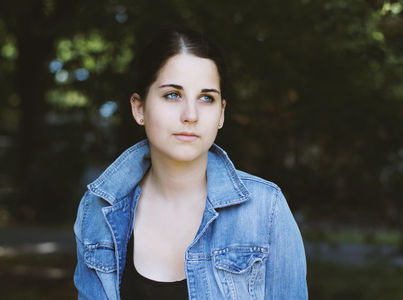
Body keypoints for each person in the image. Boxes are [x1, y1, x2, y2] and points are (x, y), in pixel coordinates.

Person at [73, 27, 307, 299]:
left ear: (221, 113)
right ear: (139, 109)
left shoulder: (266, 209)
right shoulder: (97, 210)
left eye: (207, 98)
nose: (191, 115)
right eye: (173, 94)